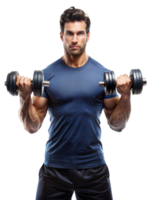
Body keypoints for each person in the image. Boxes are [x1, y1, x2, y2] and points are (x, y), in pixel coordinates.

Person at [16, 5, 133, 200]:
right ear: (61, 36)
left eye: (80, 33)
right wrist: (24, 97)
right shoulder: (46, 75)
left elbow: (117, 126)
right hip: (54, 169)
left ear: (89, 36)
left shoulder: (105, 75)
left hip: (94, 168)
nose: (75, 39)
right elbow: (32, 127)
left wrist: (127, 96)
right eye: (70, 34)